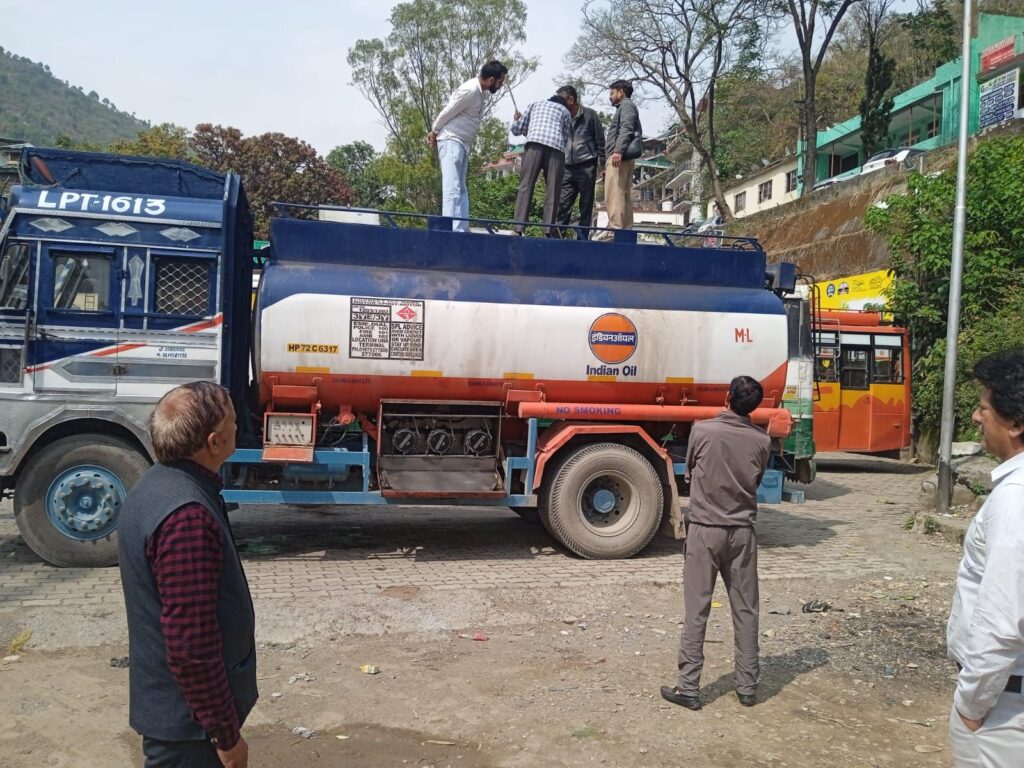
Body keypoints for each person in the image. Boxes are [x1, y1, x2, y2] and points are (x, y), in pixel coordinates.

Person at [119, 382, 257, 768]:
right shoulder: (186, 516)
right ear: (215, 442)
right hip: (189, 728)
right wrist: (226, 737)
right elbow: (191, 647)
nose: (239, 426)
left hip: (183, 716)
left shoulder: (159, 484)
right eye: (233, 420)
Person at [661, 375, 771, 711]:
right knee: (746, 610)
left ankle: (689, 688)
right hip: (742, 534)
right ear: (754, 406)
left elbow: (690, 470)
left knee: (697, 610)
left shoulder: (702, 431)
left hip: (705, 530)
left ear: (727, 398)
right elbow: (756, 480)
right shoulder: (761, 441)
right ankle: (747, 687)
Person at [947, 348, 1024, 767]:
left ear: (1015, 424)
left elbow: (1002, 624)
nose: (976, 417)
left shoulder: (1015, 499)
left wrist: (971, 707)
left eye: (984, 408)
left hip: (1003, 708)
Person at [428, 61, 509, 232]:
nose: (500, 86)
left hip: (462, 144)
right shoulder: (470, 90)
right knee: (452, 187)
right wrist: (434, 131)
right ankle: (450, 230)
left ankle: (461, 228)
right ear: (491, 79)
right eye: (500, 82)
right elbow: (448, 111)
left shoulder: (479, 93)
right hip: (451, 139)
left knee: (461, 189)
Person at [510, 94, 572, 236]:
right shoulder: (565, 111)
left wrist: (516, 120)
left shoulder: (535, 104)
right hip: (556, 148)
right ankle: (548, 231)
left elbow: (517, 129)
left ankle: (518, 228)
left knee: (526, 185)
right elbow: (565, 138)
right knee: (553, 190)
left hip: (534, 144)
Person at [555, 85, 605, 239]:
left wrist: (603, 165)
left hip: (586, 166)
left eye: (561, 100)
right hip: (566, 168)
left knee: (586, 205)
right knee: (562, 205)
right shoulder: (560, 117)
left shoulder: (590, 115)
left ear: (571, 100)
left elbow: (600, 141)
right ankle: (557, 239)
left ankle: (582, 239)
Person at [603, 79, 643, 230]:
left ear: (621, 92)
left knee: (614, 193)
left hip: (619, 157)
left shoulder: (626, 105)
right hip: (623, 157)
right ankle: (625, 229)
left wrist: (618, 151)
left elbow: (627, 127)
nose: (610, 96)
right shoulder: (627, 106)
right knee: (623, 194)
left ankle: (616, 228)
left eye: (612, 93)